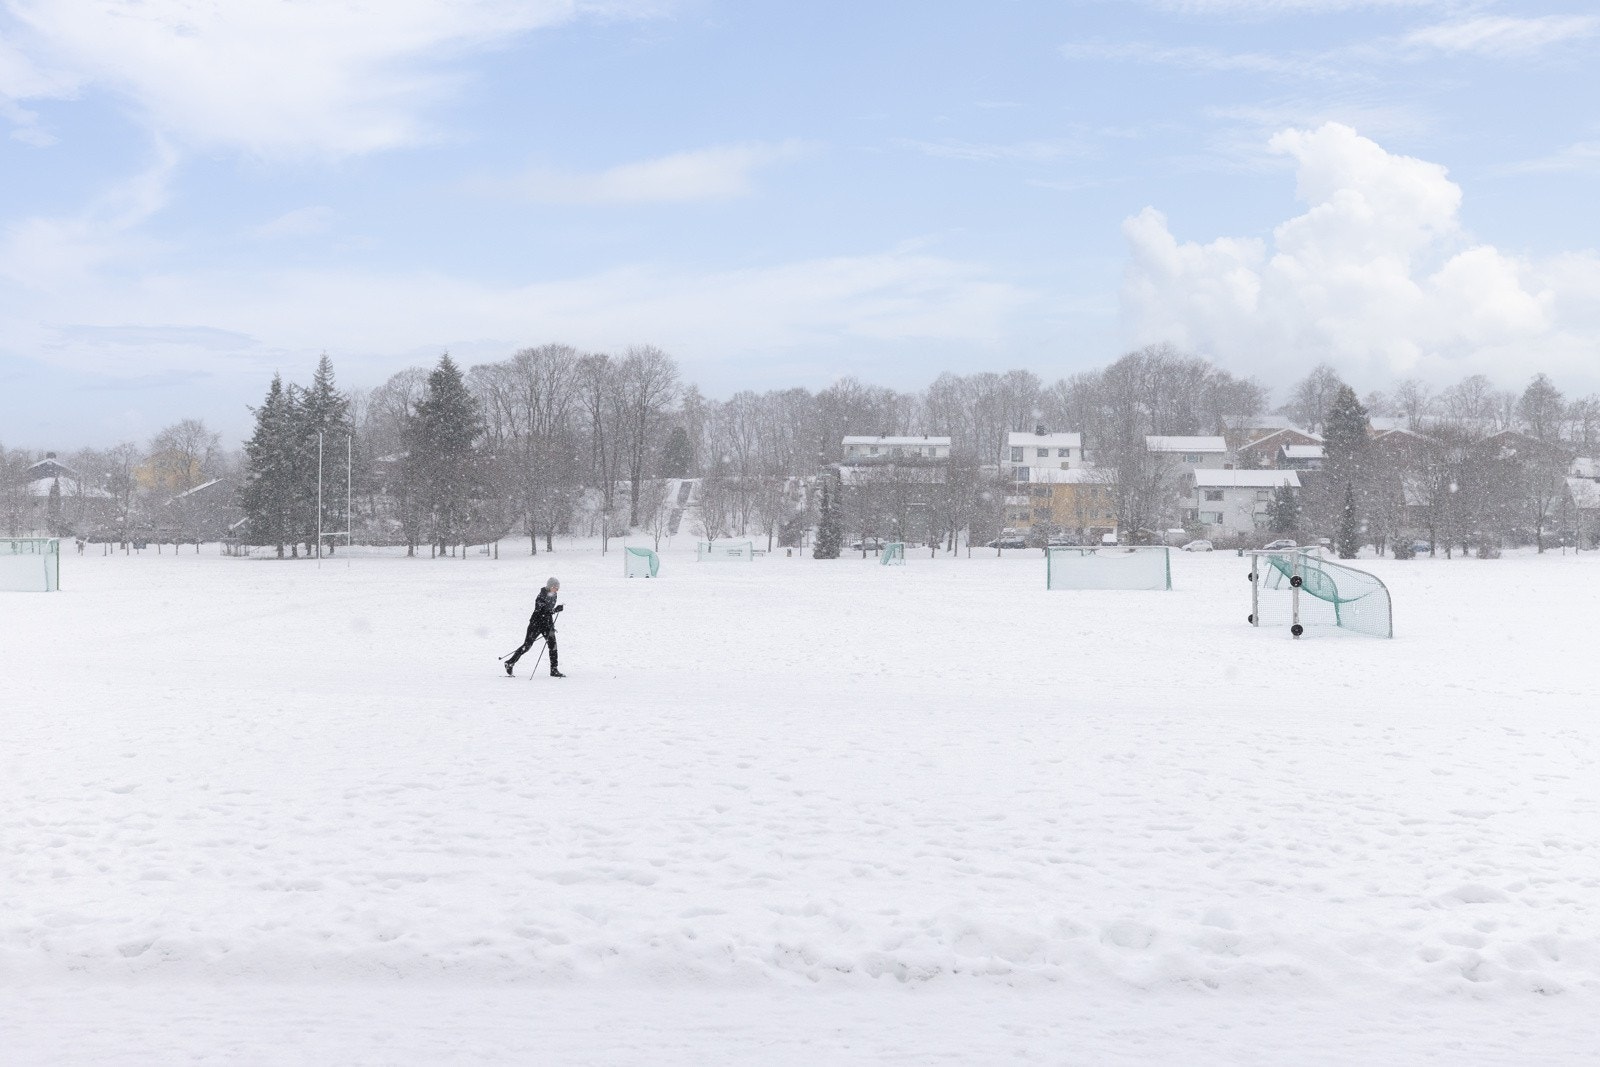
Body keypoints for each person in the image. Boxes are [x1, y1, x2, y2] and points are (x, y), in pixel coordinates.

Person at [505, 577, 565, 677]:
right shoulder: (541, 596)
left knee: (553, 646)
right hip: (536, 624)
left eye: (558, 588)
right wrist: (554, 610)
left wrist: (552, 623)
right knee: (527, 646)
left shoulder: (554, 595)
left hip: (547, 625)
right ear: (550, 586)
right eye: (555, 587)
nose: (557, 590)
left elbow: (548, 612)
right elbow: (541, 611)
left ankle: (554, 670)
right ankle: (510, 663)